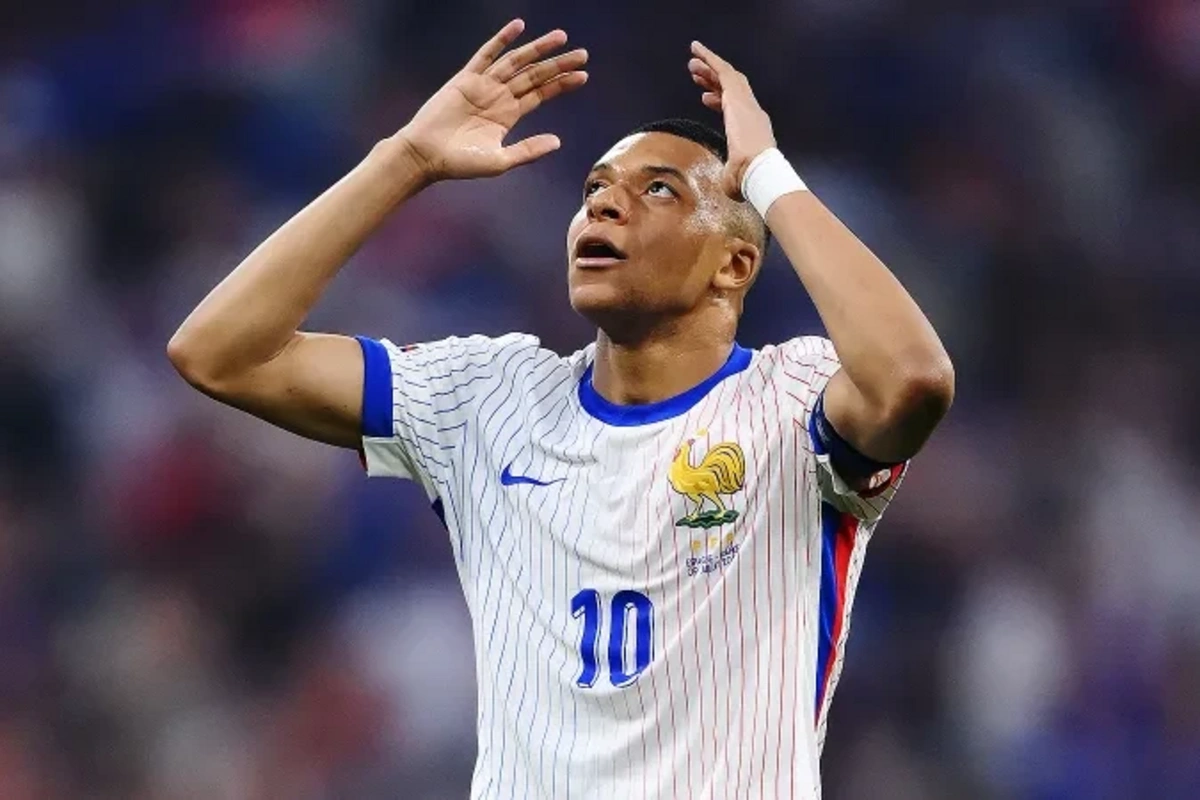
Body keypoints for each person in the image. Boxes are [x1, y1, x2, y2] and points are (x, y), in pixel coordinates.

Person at [168, 18, 953, 799]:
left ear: (735, 264)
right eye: (594, 191)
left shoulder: (790, 402)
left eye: (657, 189)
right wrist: (403, 160)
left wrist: (767, 176)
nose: (605, 206)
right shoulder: (489, 397)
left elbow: (913, 378)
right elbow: (221, 352)